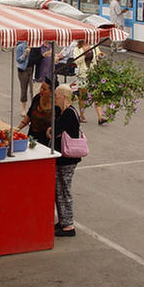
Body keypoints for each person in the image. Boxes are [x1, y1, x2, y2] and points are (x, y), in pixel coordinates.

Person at [49, 83, 82, 237]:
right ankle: (63, 221)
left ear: (63, 96)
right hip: (63, 158)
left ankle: (68, 225)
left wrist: (51, 130)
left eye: (56, 95)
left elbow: (55, 129)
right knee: (59, 189)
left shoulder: (68, 113)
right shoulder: (64, 112)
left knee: (64, 190)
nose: (54, 98)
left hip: (68, 158)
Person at [16, 79, 60, 147]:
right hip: (32, 136)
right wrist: (17, 129)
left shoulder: (56, 105)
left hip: (46, 141)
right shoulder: (37, 98)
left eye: (44, 89)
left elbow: (58, 125)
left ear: (51, 92)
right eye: (41, 87)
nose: (41, 90)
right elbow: (29, 115)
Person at [73, 40, 106, 124]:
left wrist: (100, 55)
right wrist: (84, 53)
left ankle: (100, 117)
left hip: (93, 73)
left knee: (97, 95)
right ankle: (82, 115)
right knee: (83, 97)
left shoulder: (93, 46)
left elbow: (97, 56)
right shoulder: (77, 48)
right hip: (83, 75)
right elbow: (77, 61)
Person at [14, 41, 33, 116]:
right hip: (23, 70)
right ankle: (23, 109)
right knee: (24, 89)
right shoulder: (20, 46)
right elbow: (18, 60)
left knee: (33, 90)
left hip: (33, 69)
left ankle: (33, 108)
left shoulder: (35, 47)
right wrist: (25, 54)